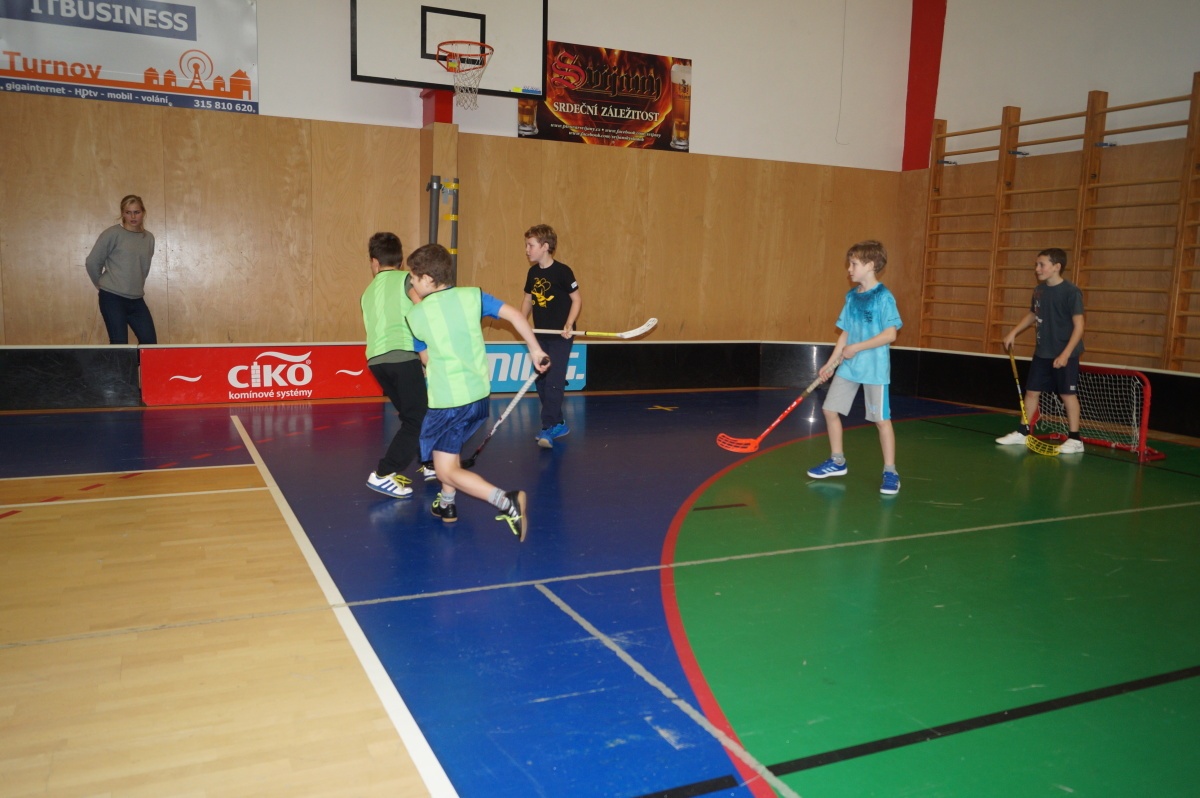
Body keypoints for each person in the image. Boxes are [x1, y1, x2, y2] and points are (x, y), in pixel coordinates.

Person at [405, 243, 549, 541]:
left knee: (445, 471)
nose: (413, 283)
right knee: (449, 452)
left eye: (414, 278)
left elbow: (426, 360)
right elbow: (515, 315)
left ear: (428, 280)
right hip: (478, 397)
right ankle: (447, 503)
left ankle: (505, 500)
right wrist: (535, 350)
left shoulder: (416, 317)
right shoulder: (473, 296)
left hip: (448, 402)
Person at [806, 240, 904, 495]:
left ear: (870, 265)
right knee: (829, 410)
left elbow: (890, 334)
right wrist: (830, 363)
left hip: (874, 368)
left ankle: (890, 471)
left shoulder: (884, 297)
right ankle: (837, 461)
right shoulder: (851, 297)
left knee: (881, 421)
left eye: (854, 264)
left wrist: (857, 348)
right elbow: (846, 334)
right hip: (849, 366)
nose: (849, 269)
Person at [360, 232, 436, 499]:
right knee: (418, 416)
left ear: (374, 262)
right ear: (401, 261)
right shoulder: (407, 280)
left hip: (376, 362)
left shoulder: (366, 293)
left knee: (411, 414)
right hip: (402, 355)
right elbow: (422, 309)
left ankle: (428, 462)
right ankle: (383, 473)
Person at [996, 248, 1086, 454]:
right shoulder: (1039, 290)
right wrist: (1014, 332)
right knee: (1032, 392)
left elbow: (1079, 326)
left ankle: (1075, 439)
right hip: (1043, 351)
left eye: (1041, 265)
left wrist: (1065, 354)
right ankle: (1023, 432)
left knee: (1067, 394)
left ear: (1056, 267)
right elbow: (1033, 314)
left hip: (1065, 352)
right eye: (1036, 265)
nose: (1037, 269)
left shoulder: (1071, 292)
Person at [520, 224, 581, 448]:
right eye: (527, 245)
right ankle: (559, 423)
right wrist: (521, 322)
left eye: (531, 245)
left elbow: (576, 300)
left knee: (554, 381)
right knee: (543, 382)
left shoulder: (563, 272)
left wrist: (569, 323)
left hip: (561, 336)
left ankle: (548, 428)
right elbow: (528, 300)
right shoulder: (533, 273)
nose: (527, 249)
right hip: (540, 337)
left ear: (545, 247)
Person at [85, 194, 158, 344]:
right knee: (119, 345)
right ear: (122, 214)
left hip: (137, 299)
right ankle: (119, 361)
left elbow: (144, 268)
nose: (133, 216)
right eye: (128, 212)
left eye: (136, 212)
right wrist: (100, 284)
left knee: (150, 344)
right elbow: (92, 262)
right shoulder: (112, 234)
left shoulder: (148, 238)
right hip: (112, 298)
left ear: (143, 212)